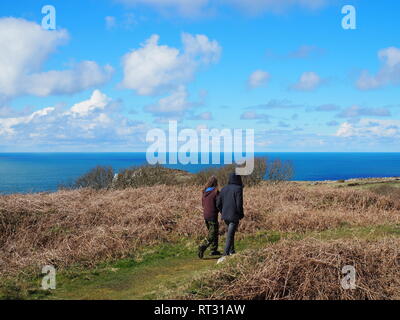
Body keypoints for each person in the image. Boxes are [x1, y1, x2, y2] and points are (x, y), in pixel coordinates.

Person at [217, 172, 244, 257]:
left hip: (225, 215)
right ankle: (225, 254)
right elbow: (239, 204)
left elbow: (218, 203)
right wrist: (241, 214)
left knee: (230, 233)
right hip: (234, 215)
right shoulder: (238, 189)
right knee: (230, 234)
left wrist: (222, 211)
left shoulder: (224, 189)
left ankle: (232, 251)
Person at [198, 176, 221, 259]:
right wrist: (221, 211)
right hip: (212, 215)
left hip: (206, 215)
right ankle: (202, 246)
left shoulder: (204, 192)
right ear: (215, 183)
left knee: (213, 232)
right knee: (212, 234)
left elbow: (203, 204)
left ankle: (214, 250)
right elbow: (218, 204)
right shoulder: (215, 192)